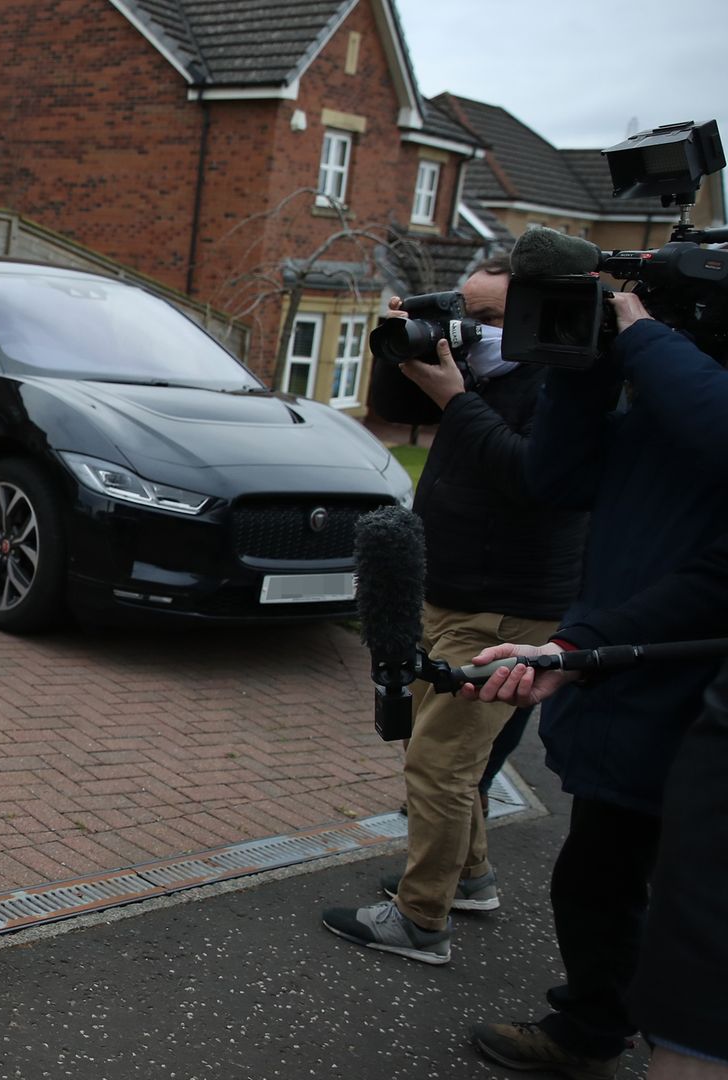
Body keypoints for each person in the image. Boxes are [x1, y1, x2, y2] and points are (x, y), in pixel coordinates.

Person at [455, 286, 728, 1078]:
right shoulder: (662, 397)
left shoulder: (686, 384)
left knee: (693, 904)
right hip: (623, 678)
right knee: (597, 877)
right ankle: (593, 1025)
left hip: (689, 691)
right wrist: (579, 366)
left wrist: (643, 339)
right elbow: (556, 478)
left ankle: (653, 1035)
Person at [321, 261, 586, 965]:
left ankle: (420, 920)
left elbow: (536, 482)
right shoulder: (474, 371)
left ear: (532, 323)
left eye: (489, 317)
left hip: (505, 609)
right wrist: (402, 339)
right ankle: (468, 878)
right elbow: (395, 408)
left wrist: (460, 400)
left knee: (439, 766)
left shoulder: (559, 385)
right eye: (461, 310)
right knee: (438, 750)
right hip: (447, 586)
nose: (470, 328)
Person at [464, 530, 728, 1080]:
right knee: (603, 880)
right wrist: (572, 651)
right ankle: (600, 1028)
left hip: (679, 717)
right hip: (665, 712)